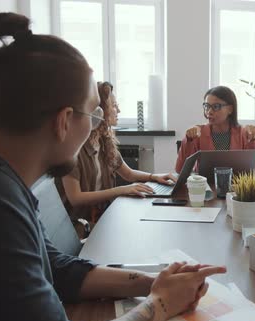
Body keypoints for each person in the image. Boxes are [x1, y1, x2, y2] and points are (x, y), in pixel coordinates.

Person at [0, 12, 225, 321]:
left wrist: (155, 282)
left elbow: (60, 271)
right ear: (63, 121)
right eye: (92, 112)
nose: (95, 125)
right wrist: (162, 303)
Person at [56, 81, 176, 226]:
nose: (118, 110)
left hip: (103, 216)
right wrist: (121, 190)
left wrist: (153, 177)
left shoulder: (103, 141)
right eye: (113, 105)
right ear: (97, 112)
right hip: (81, 224)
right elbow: (75, 197)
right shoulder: (73, 148)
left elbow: (129, 174)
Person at [175, 86, 255, 173]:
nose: (209, 111)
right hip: (205, 186)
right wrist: (189, 139)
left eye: (216, 106)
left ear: (230, 109)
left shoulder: (244, 133)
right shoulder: (198, 133)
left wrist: (252, 140)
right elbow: (180, 169)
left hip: (235, 186)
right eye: (207, 106)